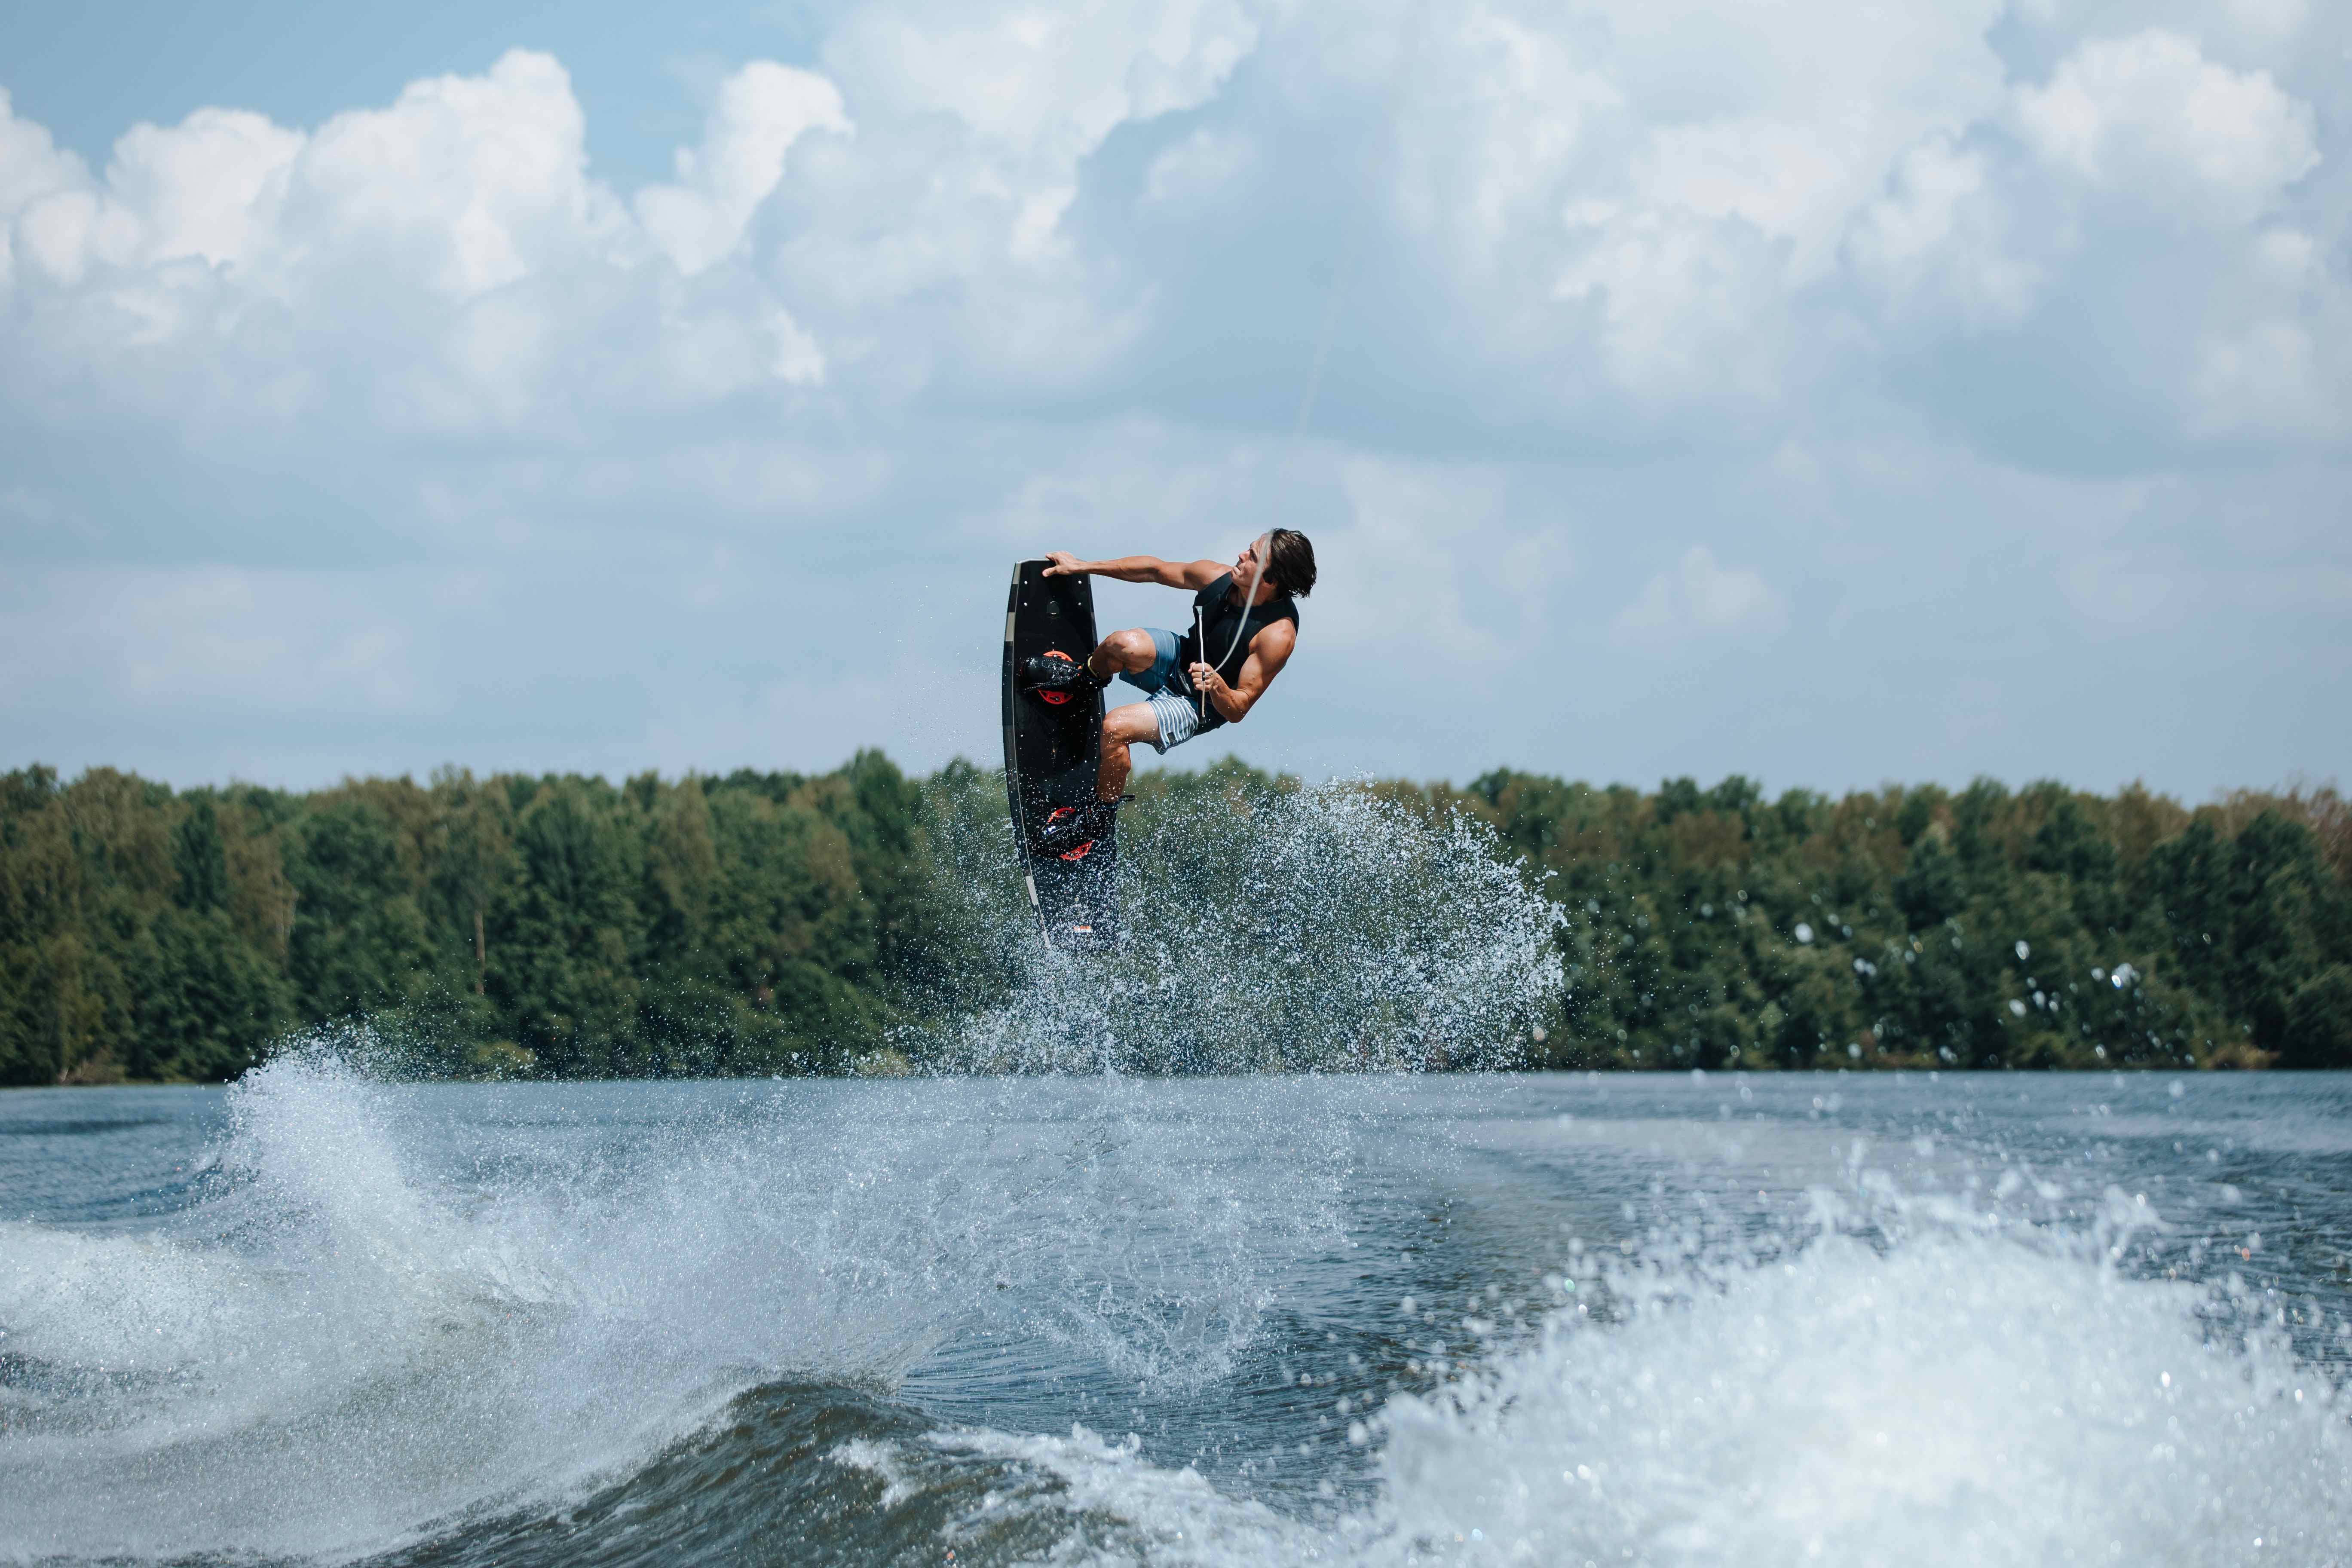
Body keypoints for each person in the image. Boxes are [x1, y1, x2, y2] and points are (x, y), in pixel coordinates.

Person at [1021, 530, 1315, 843]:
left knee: (1115, 728)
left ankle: (1097, 819)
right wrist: (1082, 566)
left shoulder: (1277, 635)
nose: (1242, 556)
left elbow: (1239, 708)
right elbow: (1154, 569)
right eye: (1249, 549)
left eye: (1253, 557)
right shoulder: (1218, 577)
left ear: (1270, 581)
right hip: (1180, 661)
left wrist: (1216, 685)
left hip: (1199, 706)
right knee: (1122, 644)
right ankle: (1082, 681)